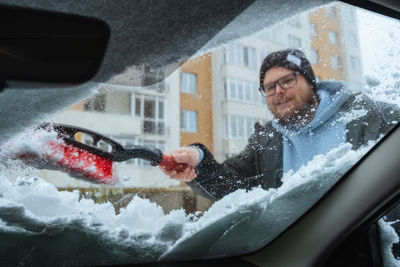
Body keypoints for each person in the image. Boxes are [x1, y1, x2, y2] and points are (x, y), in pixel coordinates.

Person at [160, 49, 399, 201]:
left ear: (310, 82)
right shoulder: (267, 141)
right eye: (269, 87)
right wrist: (199, 160)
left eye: (287, 81)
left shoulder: (372, 116)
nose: (279, 92)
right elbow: (230, 184)